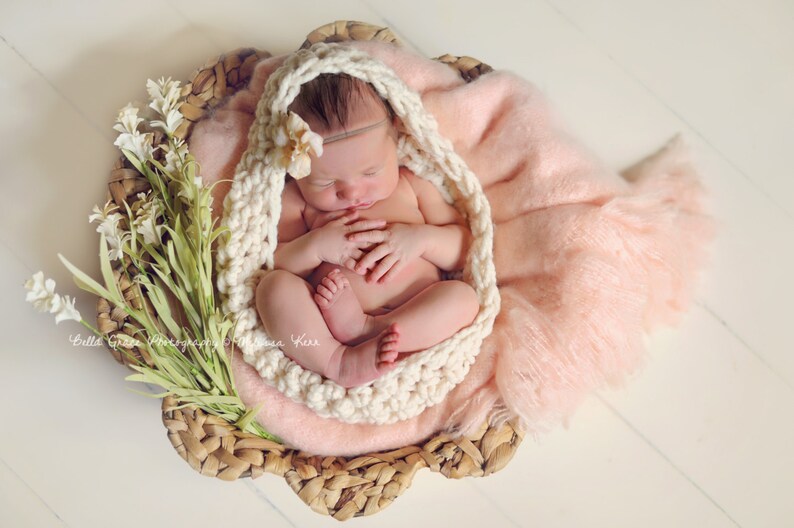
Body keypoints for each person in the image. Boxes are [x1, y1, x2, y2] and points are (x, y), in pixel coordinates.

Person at [255, 73, 479, 388]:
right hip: (327, 324)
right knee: (273, 289)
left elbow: (464, 251)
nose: (353, 192)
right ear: (297, 170)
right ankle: (337, 361)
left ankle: (373, 329)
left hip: (416, 312)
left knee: (464, 299)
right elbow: (279, 262)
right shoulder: (298, 201)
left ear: (396, 144)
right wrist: (316, 246)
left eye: (371, 171)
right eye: (327, 182)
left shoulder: (410, 185)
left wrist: (422, 240)